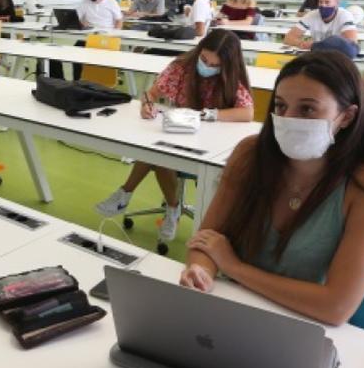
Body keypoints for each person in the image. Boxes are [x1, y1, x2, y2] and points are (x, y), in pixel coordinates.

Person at [180, 51, 364, 326]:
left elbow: (336, 307)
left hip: (305, 325)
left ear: (346, 116)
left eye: (307, 109)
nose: (289, 118)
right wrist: (201, 270)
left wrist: (233, 267)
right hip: (234, 310)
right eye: (281, 106)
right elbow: (207, 241)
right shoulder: (250, 154)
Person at [94, 30, 254, 242]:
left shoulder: (231, 78)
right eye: (204, 59)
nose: (206, 66)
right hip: (179, 134)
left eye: (214, 65)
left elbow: (247, 113)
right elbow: (150, 93)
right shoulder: (182, 67)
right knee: (157, 151)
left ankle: (130, 195)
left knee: (157, 154)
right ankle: (171, 208)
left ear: (227, 65)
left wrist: (210, 114)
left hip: (211, 146)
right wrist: (147, 106)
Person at [283, 0, 359, 59]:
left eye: (327, 2)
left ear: (336, 3)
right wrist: (301, 43)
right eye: (320, 2)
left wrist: (313, 45)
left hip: (336, 59)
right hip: (317, 56)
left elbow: (352, 45)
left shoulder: (345, 15)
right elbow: (288, 38)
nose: (323, 5)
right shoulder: (311, 15)